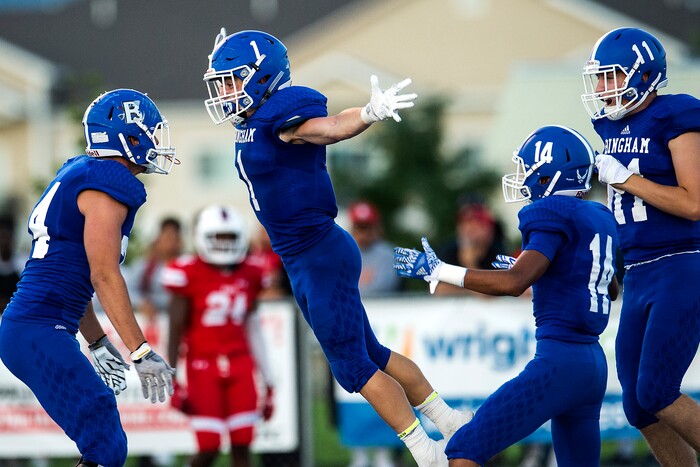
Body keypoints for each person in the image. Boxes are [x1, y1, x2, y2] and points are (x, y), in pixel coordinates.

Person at [202, 28, 470, 467]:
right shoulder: (253, 121)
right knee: (373, 355)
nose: (226, 91)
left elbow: (328, 128)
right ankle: (451, 421)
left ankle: (428, 454)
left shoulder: (281, 114)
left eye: (233, 80)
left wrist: (368, 112)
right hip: (304, 257)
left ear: (262, 76)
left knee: (354, 368)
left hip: (318, 254)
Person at [394, 125, 620, 466]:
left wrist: (442, 271)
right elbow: (609, 284)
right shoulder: (599, 215)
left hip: (558, 361)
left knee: (463, 450)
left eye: (527, 169)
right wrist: (543, 267)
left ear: (548, 175)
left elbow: (514, 283)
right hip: (593, 364)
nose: (523, 177)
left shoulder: (551, 213)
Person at [0, 89, 177, 467]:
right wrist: (140, 350)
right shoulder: (106, 183)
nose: (157, 141)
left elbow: (72, 275)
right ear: (128, 136)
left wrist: (96, 340)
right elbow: (103, 274)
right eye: (151, 131)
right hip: (39, 328)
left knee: (103, 440)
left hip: (33, 327)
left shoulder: (80, 172)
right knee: (105, 441)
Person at [581, 27, 700, 465]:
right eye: (597, 77)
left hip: (681, 262)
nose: (599, 88)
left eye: (609, 75)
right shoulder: (611, 125)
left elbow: (693, 204)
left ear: (642, 74)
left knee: (657, 390)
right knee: (636, 405)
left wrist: (629, 180)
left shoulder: (677, 115)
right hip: (638, 269)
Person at [163, 204, 274, 467]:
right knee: (209, 446)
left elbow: (253, 328)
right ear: (203, 237)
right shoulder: (186, 271)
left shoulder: (252, 271)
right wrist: (172, 379)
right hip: (203, 364)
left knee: (243, 443)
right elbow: (175, 329)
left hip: (240, 361)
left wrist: (270, 382)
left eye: (229, 237)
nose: (224, 244)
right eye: (218, 237)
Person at [125, 215, 183, 352]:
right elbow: (127, 289)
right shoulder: (145, 266)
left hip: (177, 324)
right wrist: (141, 303)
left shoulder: (185, 266)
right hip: (149, 325)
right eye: (167, 236)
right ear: (158, 239)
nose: (170, 242)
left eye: (174, 237)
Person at [434, 202, 505, 296]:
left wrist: (470, 264)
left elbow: (494, 293)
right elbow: (440, 290)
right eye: (465, 224)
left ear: (489, 230)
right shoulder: (449, 250)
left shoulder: (497, 254)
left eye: (477, 225)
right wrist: (478, 289)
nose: (469, 229)